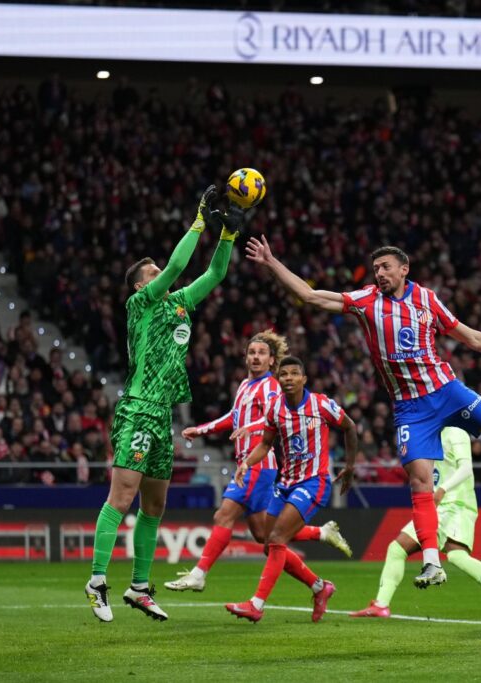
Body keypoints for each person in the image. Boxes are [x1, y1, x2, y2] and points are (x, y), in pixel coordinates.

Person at [244, 238, 481, 588]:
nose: (379, 274)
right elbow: (309, 295)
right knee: (420, 481)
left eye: (385, 267)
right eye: (375, 268)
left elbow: (468, 336)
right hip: (410, 409)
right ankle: (432, 562)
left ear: (404, 268)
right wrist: (272, 263)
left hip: (446, 391)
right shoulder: (366, 301)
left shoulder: (426, 299)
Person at [85, 186, 245, 623]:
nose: (164, 273)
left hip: (163, 417)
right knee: (121, 497)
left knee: (154, 506)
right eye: (153, 271)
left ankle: (139, 587)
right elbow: (177, 264)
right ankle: (97, 580)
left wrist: (227, 235)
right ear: (143, 283)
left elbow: (213, 275)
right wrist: (199, 219)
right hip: (138, 406)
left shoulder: (179, 305)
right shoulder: (140, 304)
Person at [164, 331, 351, 593]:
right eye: (252, 352)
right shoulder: (244, 385)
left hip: (258, 465)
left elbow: (271, 417)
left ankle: (199, 573)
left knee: (223, 515)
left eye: (261, 353)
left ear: (272, 360)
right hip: (250, 464)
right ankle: (319, 578)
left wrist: (249, 428)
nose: (255, 357)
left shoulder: (271, 386)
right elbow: (234, 416)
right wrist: (202, 429)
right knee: (266, 537)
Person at [225, 356, 358, 623]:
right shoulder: (275, 409)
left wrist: (350, 466)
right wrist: (246, 464)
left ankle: (256, 604)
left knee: (276, 540)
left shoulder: (321, 404)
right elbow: (265, 444)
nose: (287, 378)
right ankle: (320, 586)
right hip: (285, 484)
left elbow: (349, 426)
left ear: (303, 379)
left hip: (313, 483)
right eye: (283, 374)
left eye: (294, 373)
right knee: (266, 541)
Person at [349, 427, 481, 618]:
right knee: (397, 549)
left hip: (457, 504)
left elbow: (466, 469)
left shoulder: (456, 432)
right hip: (436, 506)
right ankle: (381, 604)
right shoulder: (428, 434)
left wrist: (442, 489)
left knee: (457, 555)